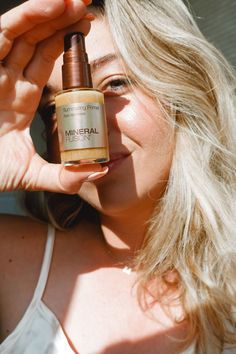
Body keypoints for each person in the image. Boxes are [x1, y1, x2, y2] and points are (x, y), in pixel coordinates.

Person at [0, 0, 236, 353]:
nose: (84, 125)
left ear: (183, 84)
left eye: (115, 83)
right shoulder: (10, 259)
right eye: (55, 109)